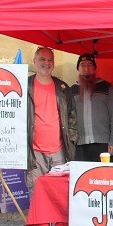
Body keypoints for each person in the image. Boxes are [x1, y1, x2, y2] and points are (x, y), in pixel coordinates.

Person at [27, 47, 78, 196]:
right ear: (34, 61)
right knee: (36, 192)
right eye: (42, 59)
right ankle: (39, 221)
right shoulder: (25, 86)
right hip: (34, 152)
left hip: (59, 151)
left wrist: (72, 142)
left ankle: (57, 221)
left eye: (50, 60)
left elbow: (72, 117)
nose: (46, 63)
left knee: (59, 192)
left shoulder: (62, 88)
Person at [71, 53, 113, 162]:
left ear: (95, 68)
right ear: (78, 68)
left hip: (104, 145)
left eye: (90, 65)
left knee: (104, 177)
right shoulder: (71, 90)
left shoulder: (106, 87)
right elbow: (68, 119)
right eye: (82, 65)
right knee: (83, 178)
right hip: (79, 145)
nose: (86, 69)